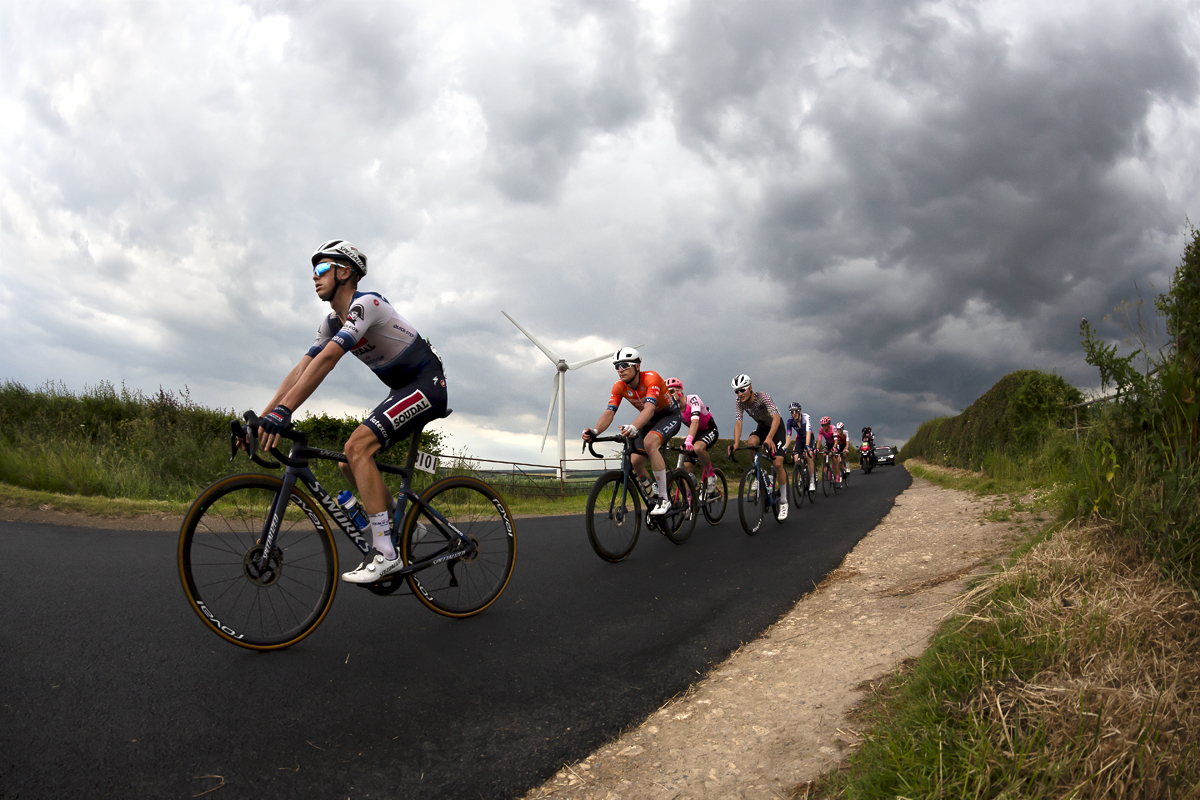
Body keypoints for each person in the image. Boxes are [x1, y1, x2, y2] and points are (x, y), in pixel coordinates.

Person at [256, 239, 448, 584]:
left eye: (321, 268)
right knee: (349, 460)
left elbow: (329, 360)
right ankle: (406, 529)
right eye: (312, 270)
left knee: (357, 447)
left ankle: (386, 552)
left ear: (344, 271)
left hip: (427, 384)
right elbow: (302, 369)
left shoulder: (367, 304)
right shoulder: (331, 322)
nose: (314, 277)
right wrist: (266, 416)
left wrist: (285, 411)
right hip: (402, 388)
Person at [582, 348, 683, 515]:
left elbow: (650, 409)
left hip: (668, 416)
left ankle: (664, 499)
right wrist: (595, 431)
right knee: (635, 462)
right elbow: (609, 413)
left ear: (637, 366)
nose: (620, 369)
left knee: (650, 443)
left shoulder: (652, 378)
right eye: (616, 366)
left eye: (624, 365)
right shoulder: (619, 386)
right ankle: (653, 494)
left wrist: (634, 426)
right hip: (648, 419)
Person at [726, 374, 788, 520]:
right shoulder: (739, 402)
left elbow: (776, 418)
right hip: (761, 427)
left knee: (778, 464)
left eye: (742, 390)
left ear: (750, 388)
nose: (740, 394)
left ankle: (784, 501)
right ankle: (756, 474)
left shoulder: (763, 396)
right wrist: (735, 443)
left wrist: (769, 437)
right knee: (751, 443)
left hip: (776, 427)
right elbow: (738, 422)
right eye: (736, 391)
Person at [665, 377, 719, 493]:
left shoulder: (692, 399)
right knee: (686, 470)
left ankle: (711, 475)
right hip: (695, 435)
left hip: (709, 429)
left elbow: (695, 421)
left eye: (671, 391)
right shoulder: (674, 409)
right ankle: (691, 501)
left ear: (679, 390)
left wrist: (688, 441)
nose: (669, 395)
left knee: (698, 448)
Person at [785, 402, 816, 493]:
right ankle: (801, 476)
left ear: (800, 411)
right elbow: (789, 436)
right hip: (799, 438)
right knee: (795, 457)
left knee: (808, 455)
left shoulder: (805, 417)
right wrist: (785, 448)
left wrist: (807, 446)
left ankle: (812, 481)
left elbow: (808, 431)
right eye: (791, 412)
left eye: (795, 411)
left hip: (809, 437)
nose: (793, 413)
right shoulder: (789, 422)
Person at [817, 416, 841, 483]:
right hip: (828, 444)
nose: (823, 427)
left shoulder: (833, 428)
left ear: (828, 425)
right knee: (824, 454)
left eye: (825, 425)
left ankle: (837, 479)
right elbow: (819, 440)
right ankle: (825, 468)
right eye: (822, 425)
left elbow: (836, 441)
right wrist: (817, 449)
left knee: (834, 459)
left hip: (835, 444)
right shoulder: (821, 430)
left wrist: (833, 448)